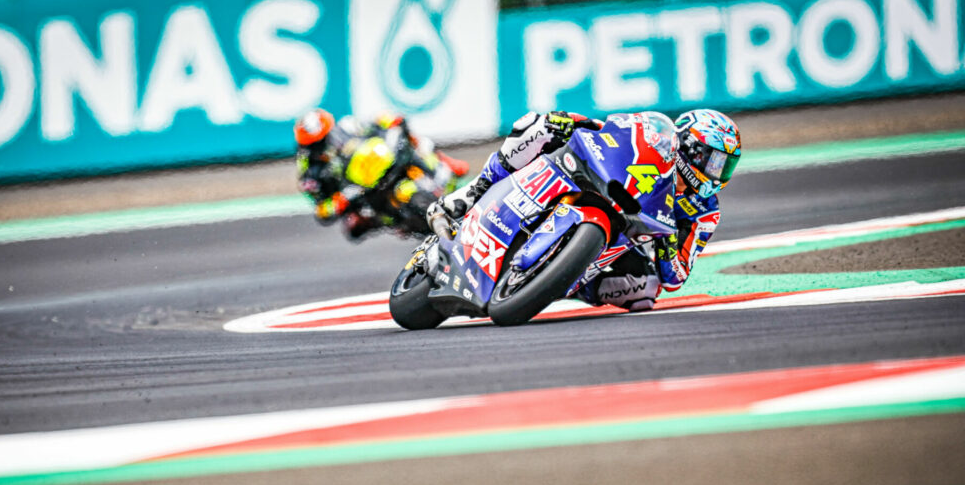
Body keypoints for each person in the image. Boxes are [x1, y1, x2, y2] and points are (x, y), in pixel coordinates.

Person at [426, 108, 741, 310]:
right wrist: (575, 122)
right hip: (599, 181)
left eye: (724, 167)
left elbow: (676, 278)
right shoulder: (659, 141)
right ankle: (475, 191)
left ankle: (566, 281)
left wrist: (670, 244)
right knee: (537, 125)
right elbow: (615, 130)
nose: (716, 173)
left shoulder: (705, 212)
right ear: (688, 147)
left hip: (625, 237)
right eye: (712, 160)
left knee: (646, 292)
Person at [294, 108, 469, 240]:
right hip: (360, 196)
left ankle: (443, 163)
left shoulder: (347, 126)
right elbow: (321, 211)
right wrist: (342, 199)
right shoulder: (310, 172)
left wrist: (391, 122)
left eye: (328, 136)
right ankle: (408, 226)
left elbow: (379, 122)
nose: (328, 143)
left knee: (413, 141)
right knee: (355, 226)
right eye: (319, 143)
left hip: (383, 164)